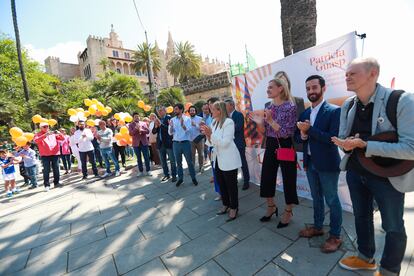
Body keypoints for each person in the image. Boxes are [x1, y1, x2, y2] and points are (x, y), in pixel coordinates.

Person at [331, 57, 414, 275]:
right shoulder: (348, 105)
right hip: (356, 173)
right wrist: (346, 146)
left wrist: (366, 145)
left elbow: (411, 148)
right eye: (346, 73)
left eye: (352, 73)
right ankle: (366, 257)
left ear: (373, 73)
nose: (347, 77)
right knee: (361, 217)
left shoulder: (402, 101)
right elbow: (343, 137)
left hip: (388, 178)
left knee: (393, 226)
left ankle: (389, 269)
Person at [295, 75, 342, 253]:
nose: (311, 92)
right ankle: (317, 226)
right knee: (316, 198)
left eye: (314, 87)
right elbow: (298, 137)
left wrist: (310, 130)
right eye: (308, 89)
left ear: (323, 88)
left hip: (328, 164)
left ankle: (336, 235)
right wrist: (304, 135)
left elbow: (332, 139)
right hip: (310, 163)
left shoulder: (334, 111)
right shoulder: (305, 113)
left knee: (332, 199)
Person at [253, 77, 298, 228]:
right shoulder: (268, 107)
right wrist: (260, 123)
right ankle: (271, 207)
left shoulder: (290, 106)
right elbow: (265, 131)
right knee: (266, 177)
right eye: (267, 87)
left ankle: (288, 211)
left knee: (288, 179)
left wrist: (271, 120)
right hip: (271, 143)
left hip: (284, 144)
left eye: (271, 87)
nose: (268, 89)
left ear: (280, 89)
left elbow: (287, 132)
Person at [202, 101, 242, 221]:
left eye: (213, 109)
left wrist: (211, 135)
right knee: (221, 183)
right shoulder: (214, 122)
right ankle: (226, 204)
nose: (211, 111)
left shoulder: (228, 122)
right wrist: (208, 135)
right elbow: (211, 142)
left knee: (231, 185)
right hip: (218, 158)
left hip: (229, 158)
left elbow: (225, 142)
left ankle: (234, 207)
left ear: (220, 111)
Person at [168, 103, 198, 187]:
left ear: (181, 110)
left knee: (190, 162)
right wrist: (170, 127)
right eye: (174, 109)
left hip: (186, 143)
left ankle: (193, 178)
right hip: (176, 144)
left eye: (176, 109)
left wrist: (182, 125)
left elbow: (189, 131)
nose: (175, 111)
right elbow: (170, 133)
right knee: (178, 163)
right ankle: (180, 179)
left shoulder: (187, 119)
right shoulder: (172, 120)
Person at [225, 99, 250, 190]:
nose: (225, 108)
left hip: (238, 143)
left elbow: (238, 128)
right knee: (232, 163)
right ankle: (234, 180)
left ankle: (246, 181)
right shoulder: (225, 117)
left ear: (232, 105)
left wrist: (229, 125)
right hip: (229, 144)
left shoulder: (238, 115)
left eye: (226, 105)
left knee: (242, 162)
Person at [34, 122, 64, 191]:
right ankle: (47, 185)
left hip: (55, 153)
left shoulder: (53, 133)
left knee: (56, 169)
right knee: (46, 170)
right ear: (40, 128)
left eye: (47, 126)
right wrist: (45, 135)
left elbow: (62, 138)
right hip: (45, 155)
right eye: (44, 127)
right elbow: (36, 141)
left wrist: (59, 133)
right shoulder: (37, 134)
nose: (46, 128)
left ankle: (56, 183)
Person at [153, 106, 177, 182]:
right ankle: (166, 175)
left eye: (161, 110)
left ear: (165, 111)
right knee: (163, 162)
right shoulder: (158, 119)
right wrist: (156, 126)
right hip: (160, 144)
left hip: (168, 143)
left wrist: (161, 125)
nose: (159, 112)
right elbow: (154, 132)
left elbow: (170, 130)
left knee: (172, 161)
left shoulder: (169, 118)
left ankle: (174, 175)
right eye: (158, 111)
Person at [129, 112, 151, 177]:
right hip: (136, 144)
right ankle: (141, 171)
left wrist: (141, 130)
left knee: (146, 157)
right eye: (135, 116)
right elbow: (130, 134)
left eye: (138, 116)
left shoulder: (143, 123)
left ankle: (148, 170)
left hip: (144, 143)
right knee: (138, 158)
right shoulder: (131, 125)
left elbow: (148, 131)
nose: (137, 117)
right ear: (133, 118)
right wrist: (136, 129)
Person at [188, 106, 205, 173]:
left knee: (200, 154)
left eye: (193, 110)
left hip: (199, 139)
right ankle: (192, 168)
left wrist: (195, 125)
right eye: (191, 111)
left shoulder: (200, 119)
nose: (192, 112)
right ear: (189, 112)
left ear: (195, 111)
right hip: (191, 140)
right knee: (192, 155)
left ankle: (201, 166)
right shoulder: (187, 119)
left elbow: (202, 129)